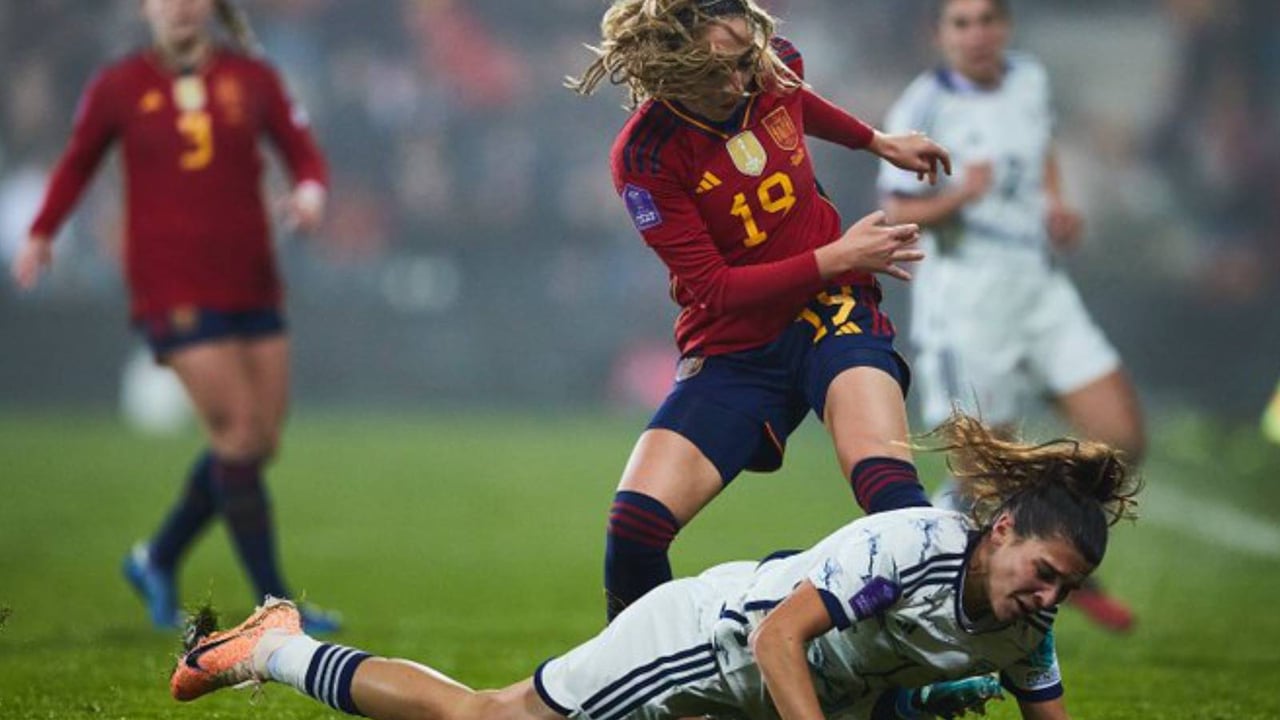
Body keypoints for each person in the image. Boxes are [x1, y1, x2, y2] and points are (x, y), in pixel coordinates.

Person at [170, 411, 1140, 720]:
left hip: (794, 685)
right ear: (1000, 526)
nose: (1046, 595)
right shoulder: (912, 549)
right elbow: (779, 634)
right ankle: (274, 647)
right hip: (711, 645)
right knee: (489, 718)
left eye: (1063, 587)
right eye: (1041, 570)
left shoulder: (1027, 622)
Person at [566, 0, 953, 622]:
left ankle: (943, 654)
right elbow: (716, 290)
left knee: (890, 493)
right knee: (634, 527)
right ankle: (643, 688)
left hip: (833, 307)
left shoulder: (766, 67)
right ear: (669, 71)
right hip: (735, 342)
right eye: (719, 71)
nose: (742, 82)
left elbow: (799, 100)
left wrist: (878, 142)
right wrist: (837, 253)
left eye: (748, 62)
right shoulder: (644, 158)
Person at [11, 0, 338, 633]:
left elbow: (303, 152)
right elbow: (79, 159)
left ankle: (156, 557)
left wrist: (309, 193)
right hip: (173, 288)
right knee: (239, 435)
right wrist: (43, 230)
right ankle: (276, 607)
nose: (182, 8)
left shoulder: (254, 79)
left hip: (253, 282)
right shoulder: (120, 86)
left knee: (259, 440)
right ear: (146, 7)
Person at [877, 0, 1146, 633]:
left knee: (1120, 438)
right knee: (986, 467)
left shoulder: (1029, 78)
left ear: (1007, 26)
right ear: (938, 33)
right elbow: (894, 210)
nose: (977, 34)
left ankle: (1039, 529)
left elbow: (1041, 146)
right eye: (961, 23)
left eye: (988, 19)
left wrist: (1056, 204)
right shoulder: (923, 106)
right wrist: (961, 194)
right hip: (969, 299)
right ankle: (939, 590)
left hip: (1040, 284)